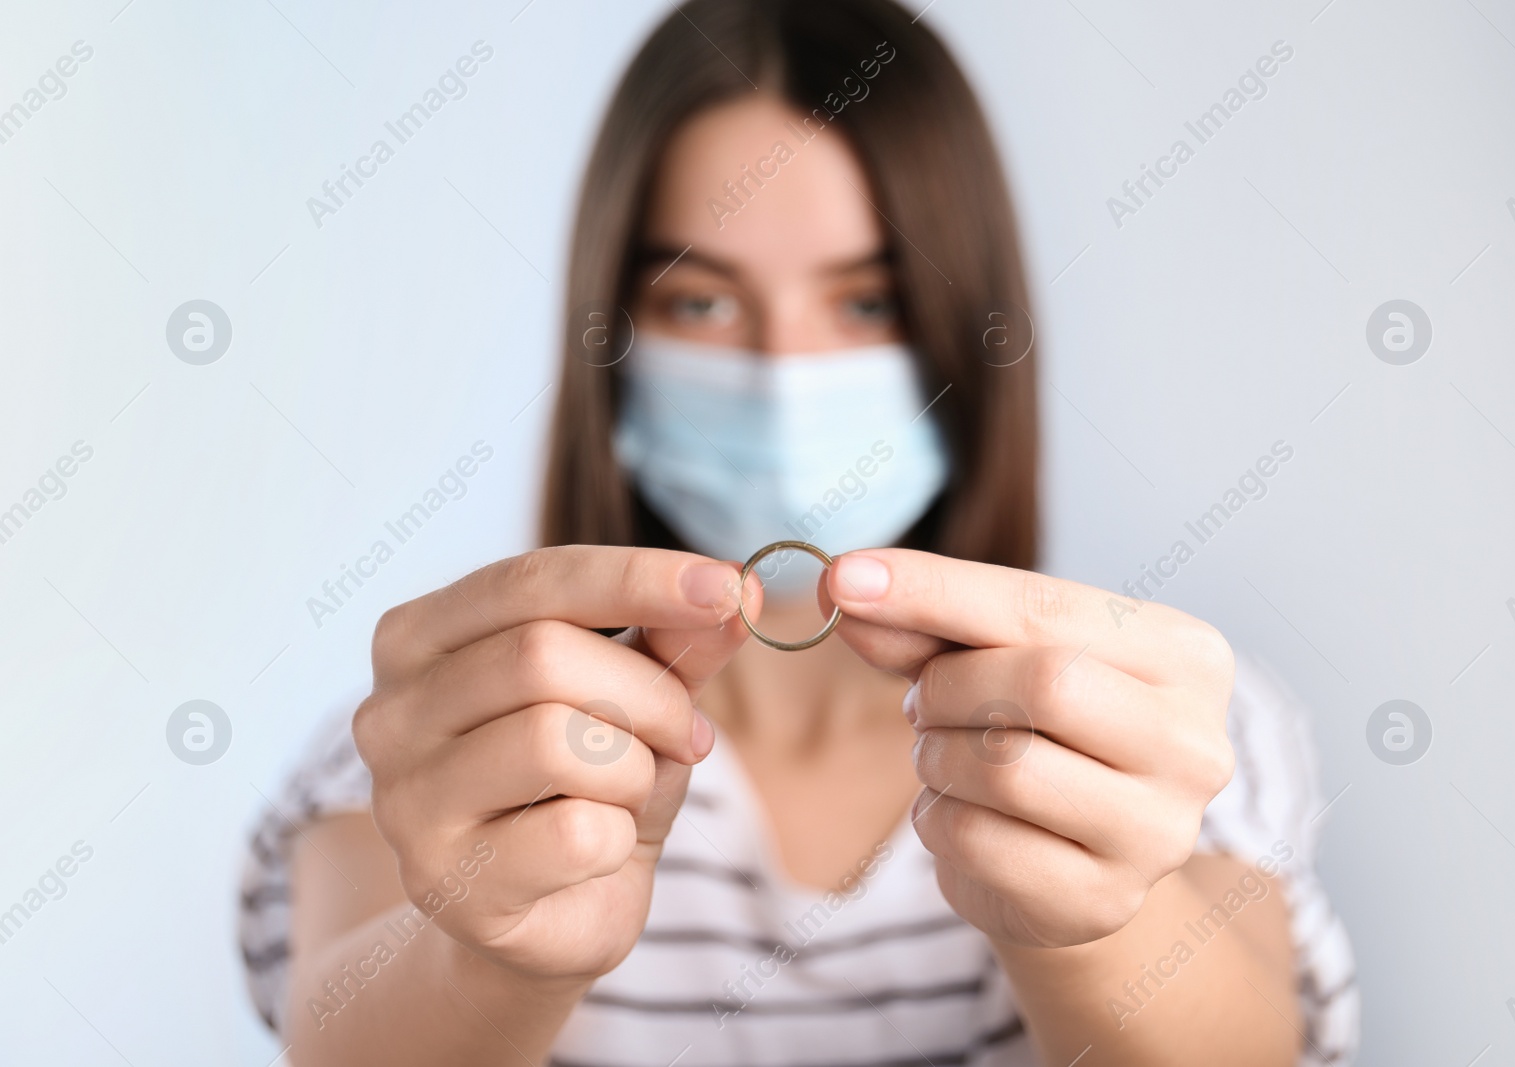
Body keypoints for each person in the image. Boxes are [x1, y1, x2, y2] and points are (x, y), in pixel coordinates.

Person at [240, 1, 1358, 1063]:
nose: (782, 377)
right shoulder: (450, 733)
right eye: (701, 300)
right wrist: (499, 963)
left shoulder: (1155, 725)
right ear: (611, 337)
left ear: (965, 340)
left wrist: (1090, 921)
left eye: (866, 302)